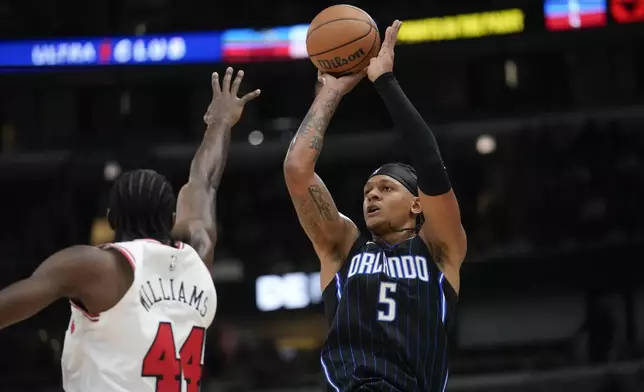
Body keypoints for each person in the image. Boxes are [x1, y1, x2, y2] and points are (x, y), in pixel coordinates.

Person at [0, 67, 260, 392]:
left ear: (110, 219)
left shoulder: (97, 267)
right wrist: (221, 122)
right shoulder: (198, 255)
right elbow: (204, 182)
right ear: (172, 216)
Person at [283, 21, 466, 392]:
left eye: (386, 188)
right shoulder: (343, 247)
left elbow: (431, 166)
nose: (372, 195)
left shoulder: (438, 249)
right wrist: (331, 91)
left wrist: (385, 82)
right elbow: (297, 171)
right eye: (368, 190)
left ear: (418, 204)